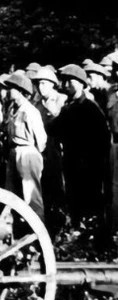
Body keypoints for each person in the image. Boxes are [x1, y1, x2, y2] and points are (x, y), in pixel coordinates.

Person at [49, 64, 112, 242]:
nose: (66, 84)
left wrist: (92, 163)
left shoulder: (90, 108)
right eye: (65, 80)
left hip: (89, 165)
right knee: (74, 200)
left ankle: (96, 238)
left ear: (81, 83)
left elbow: (103, 139)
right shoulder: (69, 107)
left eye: (71, 81)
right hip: (71, 161)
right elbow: (54, 128)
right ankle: (79, 236)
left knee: (91, 202)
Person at [3, 73, 47, 220]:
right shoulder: (12, 110)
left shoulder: (30, 111)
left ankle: (37, 232)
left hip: (27, 152)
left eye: (11, 88)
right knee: (13, 194)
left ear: (21, 91)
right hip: (13, 151)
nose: (8, 91)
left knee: (31, 194)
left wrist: (34, 155)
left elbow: (41, 139)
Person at [31, 67, 67, 231]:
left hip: (58, 146)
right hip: (41, 147)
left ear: (52, 84)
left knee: (59, 183)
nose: (41, 87)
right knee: (44, 184)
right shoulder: (36, 103)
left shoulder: (61, 99)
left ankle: (61, 219)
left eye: (44, 83)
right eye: (38, 84)